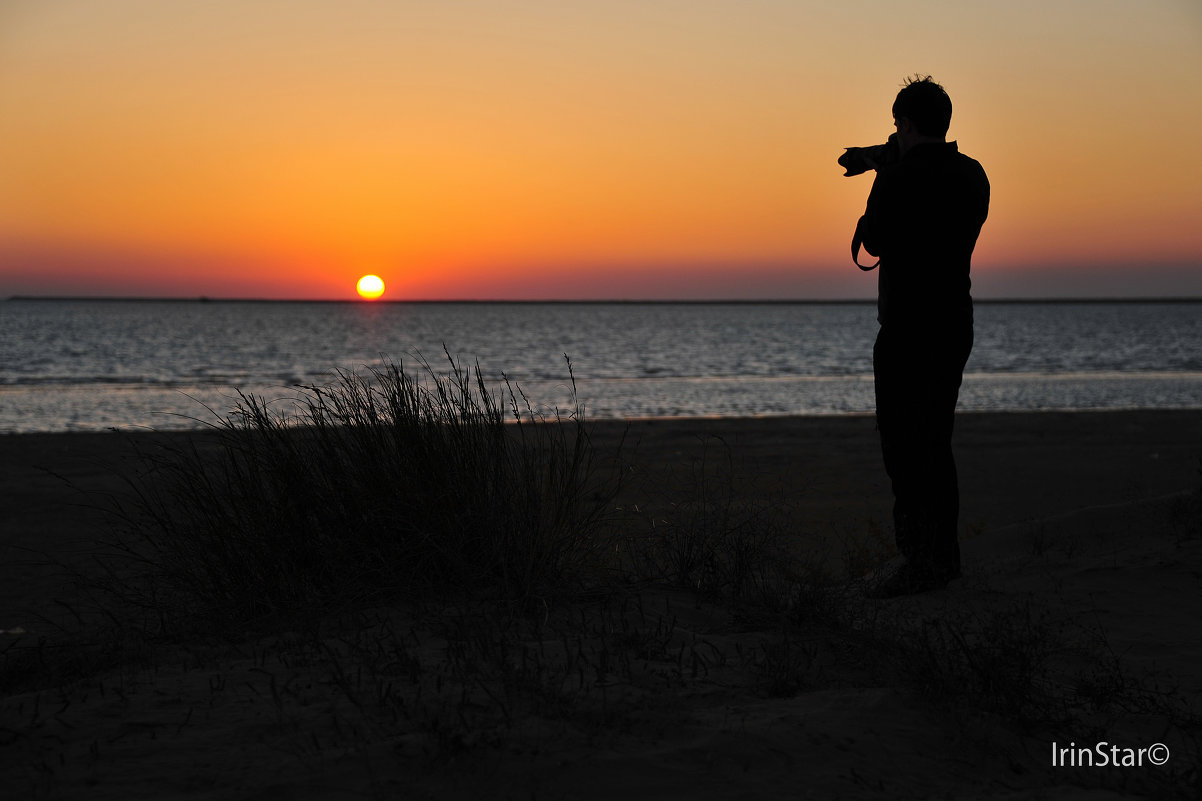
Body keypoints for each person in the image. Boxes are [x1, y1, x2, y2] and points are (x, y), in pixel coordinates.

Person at [850, 75, 990, 597]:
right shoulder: (974, 175)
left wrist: (883, 170)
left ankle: (918, 561)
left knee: (903, 449)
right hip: (953, 322)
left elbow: (875, 238)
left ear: (905, 124)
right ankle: (942, 560)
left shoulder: (897, 177)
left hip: (908, 328)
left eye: (896, 127)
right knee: (935, 440)